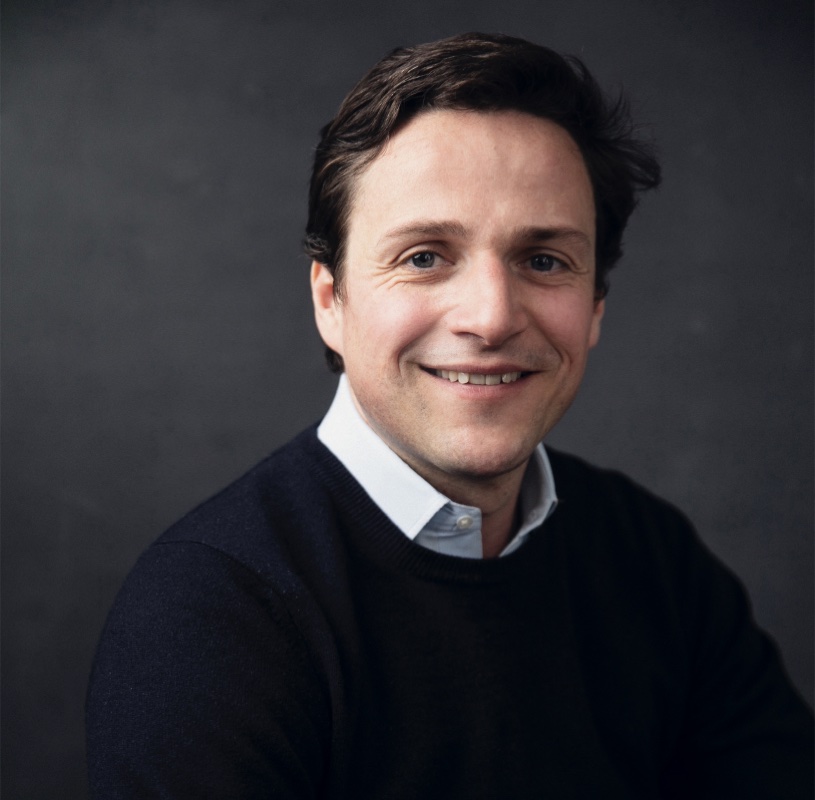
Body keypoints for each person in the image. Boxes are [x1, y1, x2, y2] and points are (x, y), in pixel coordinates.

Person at [86, 32, 813, 798]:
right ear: (330, 300)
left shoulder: (651, 557)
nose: (491, 317)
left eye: (543, 260)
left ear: (595, 305)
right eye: (424, 256)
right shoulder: (207, 617)